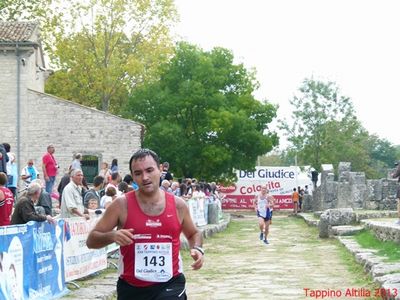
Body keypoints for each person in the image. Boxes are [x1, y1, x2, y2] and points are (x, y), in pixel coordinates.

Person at [86, 148, 204, 299]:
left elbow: (194, 233)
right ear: (133, 177)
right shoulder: (121, 205)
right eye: (138, 173)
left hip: (170, 284)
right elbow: (91, 240)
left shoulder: (178, 205)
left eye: (149, 170)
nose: (145, 177)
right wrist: (112, 235)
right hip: (131, 287)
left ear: (160, 169)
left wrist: (198, 249)